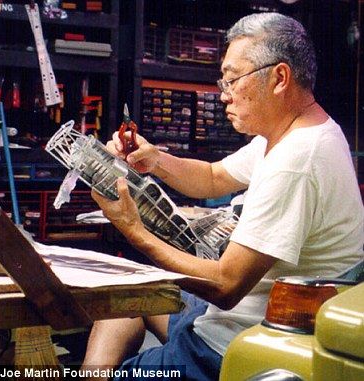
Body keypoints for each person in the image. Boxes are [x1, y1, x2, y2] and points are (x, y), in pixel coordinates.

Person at [81, 12, 364, 381]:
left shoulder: (297, 159)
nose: (224, 94)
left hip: (228, 344)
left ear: (279, 78)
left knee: (129, 299)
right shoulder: (295, 133)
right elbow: (214, 178)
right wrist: (155, 160)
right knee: (125, 299)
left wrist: (133, 229)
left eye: (232, 79)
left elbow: (225, 285)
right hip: (234, 316)